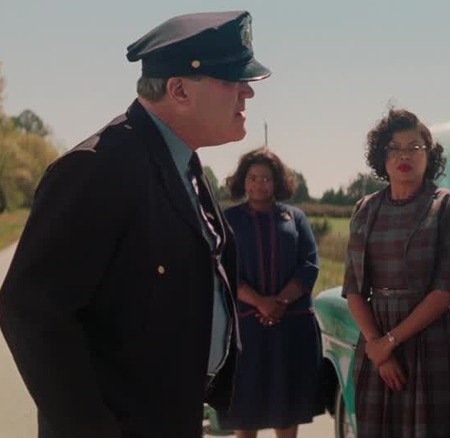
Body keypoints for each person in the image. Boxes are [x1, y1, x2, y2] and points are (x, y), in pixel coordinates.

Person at [0, 11, 271, 438]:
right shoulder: (99, 168)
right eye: (231, 79)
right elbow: (31, 311)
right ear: (179, 89)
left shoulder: (185, 166)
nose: (246, 94)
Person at [343, 108, 450, 438]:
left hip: (430, 340)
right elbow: (354, 289)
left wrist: (391, 341)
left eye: (414, 147)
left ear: (429, 155)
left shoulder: (447, 206)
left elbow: (446, 290)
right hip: (376, 341)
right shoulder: (366, 209)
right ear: (381, 157)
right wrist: (378, 347)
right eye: (394, 147)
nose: (405, 155)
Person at [214, 148, 320, 438]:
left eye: (266, 178)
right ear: (242, 181)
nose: (259, 184)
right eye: (253, 178)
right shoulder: (228, 219)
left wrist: (280, 302)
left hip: (291, 328)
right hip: (247, 330)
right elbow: (222, 269)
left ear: (278, 182)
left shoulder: (295, 218)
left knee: (286, 411)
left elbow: (309, 264)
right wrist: (261, 303)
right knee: (245, 414)